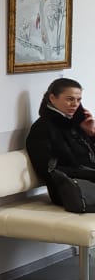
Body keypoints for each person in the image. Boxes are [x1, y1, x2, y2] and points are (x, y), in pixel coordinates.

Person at [25, 78, 95, 213]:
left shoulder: (75, 124)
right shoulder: (42, 128)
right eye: (69, 99)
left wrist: (92, 133)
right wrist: (91, 174)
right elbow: (48, 169)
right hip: (70, 190)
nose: (75, 104)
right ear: (52, 98)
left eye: (78, 100)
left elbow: (88, 157)